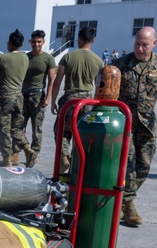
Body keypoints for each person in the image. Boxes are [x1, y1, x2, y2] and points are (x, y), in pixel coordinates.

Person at [115, 27, 157, 227]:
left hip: (147, 125)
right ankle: (127, 204)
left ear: (154, 43)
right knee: (127, 165)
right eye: (137, 44)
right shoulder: (120, 64)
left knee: (143, 166)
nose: (140, 48)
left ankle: (124, 202)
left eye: (145, 45)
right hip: (123, 124)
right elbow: (104, 87)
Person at [49, 27, 101, 173]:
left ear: (79, 39)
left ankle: (64, 157)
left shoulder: (68, 57)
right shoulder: (98, 60)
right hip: (87, 101)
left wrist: (53, 101)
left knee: (62, 132)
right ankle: (76, 163)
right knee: (83, 133)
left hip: (70, 100)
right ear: (93, 40)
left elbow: (58, 81)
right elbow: (99, 85)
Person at [0, 29, 31, 167]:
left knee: (3, 128)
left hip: (5, 96)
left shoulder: (2, 58)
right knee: (16, 128)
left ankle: (6, 158)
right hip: (19, 96)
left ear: (9, 43)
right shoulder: (25, 57)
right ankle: (26, 147)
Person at [21, 30, 57, 168]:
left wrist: (48, 98)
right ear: (30, 42)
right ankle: (24, 151)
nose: (36, 44)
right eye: (34, 41)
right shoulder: (26, 57)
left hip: (38, 96)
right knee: (19, 127)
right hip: (23, 95)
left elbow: (51, 80)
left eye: (39, 42)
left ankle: (34, 154)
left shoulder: (48, 59)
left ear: (43, 42)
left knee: (37, 129)